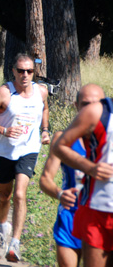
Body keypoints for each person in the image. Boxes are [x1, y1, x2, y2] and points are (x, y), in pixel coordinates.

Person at [0, 53, 50, 262]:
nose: (25, 75)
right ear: (13, 71)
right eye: (21, 71)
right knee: (4, 195)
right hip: (4, 151)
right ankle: (2, 227)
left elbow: (44, 109)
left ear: (33, 72)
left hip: (29, 150)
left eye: (29, 71)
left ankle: (15, 243)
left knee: (19, 194)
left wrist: (45, 130)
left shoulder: (41, 91)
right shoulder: (4, 93)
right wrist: (3, 130)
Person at [40, 84, 105, 267]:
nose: (91, 109)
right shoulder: (63, 139)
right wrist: (60, 194)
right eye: (85, 104)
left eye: (97, 104)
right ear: (76, 106)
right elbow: (45, 179)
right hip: (70, 218)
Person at [53, 88, 113, 267]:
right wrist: (91, 168)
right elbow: (58, 147)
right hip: (97, 210)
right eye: (84, 103)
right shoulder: (99, 112)